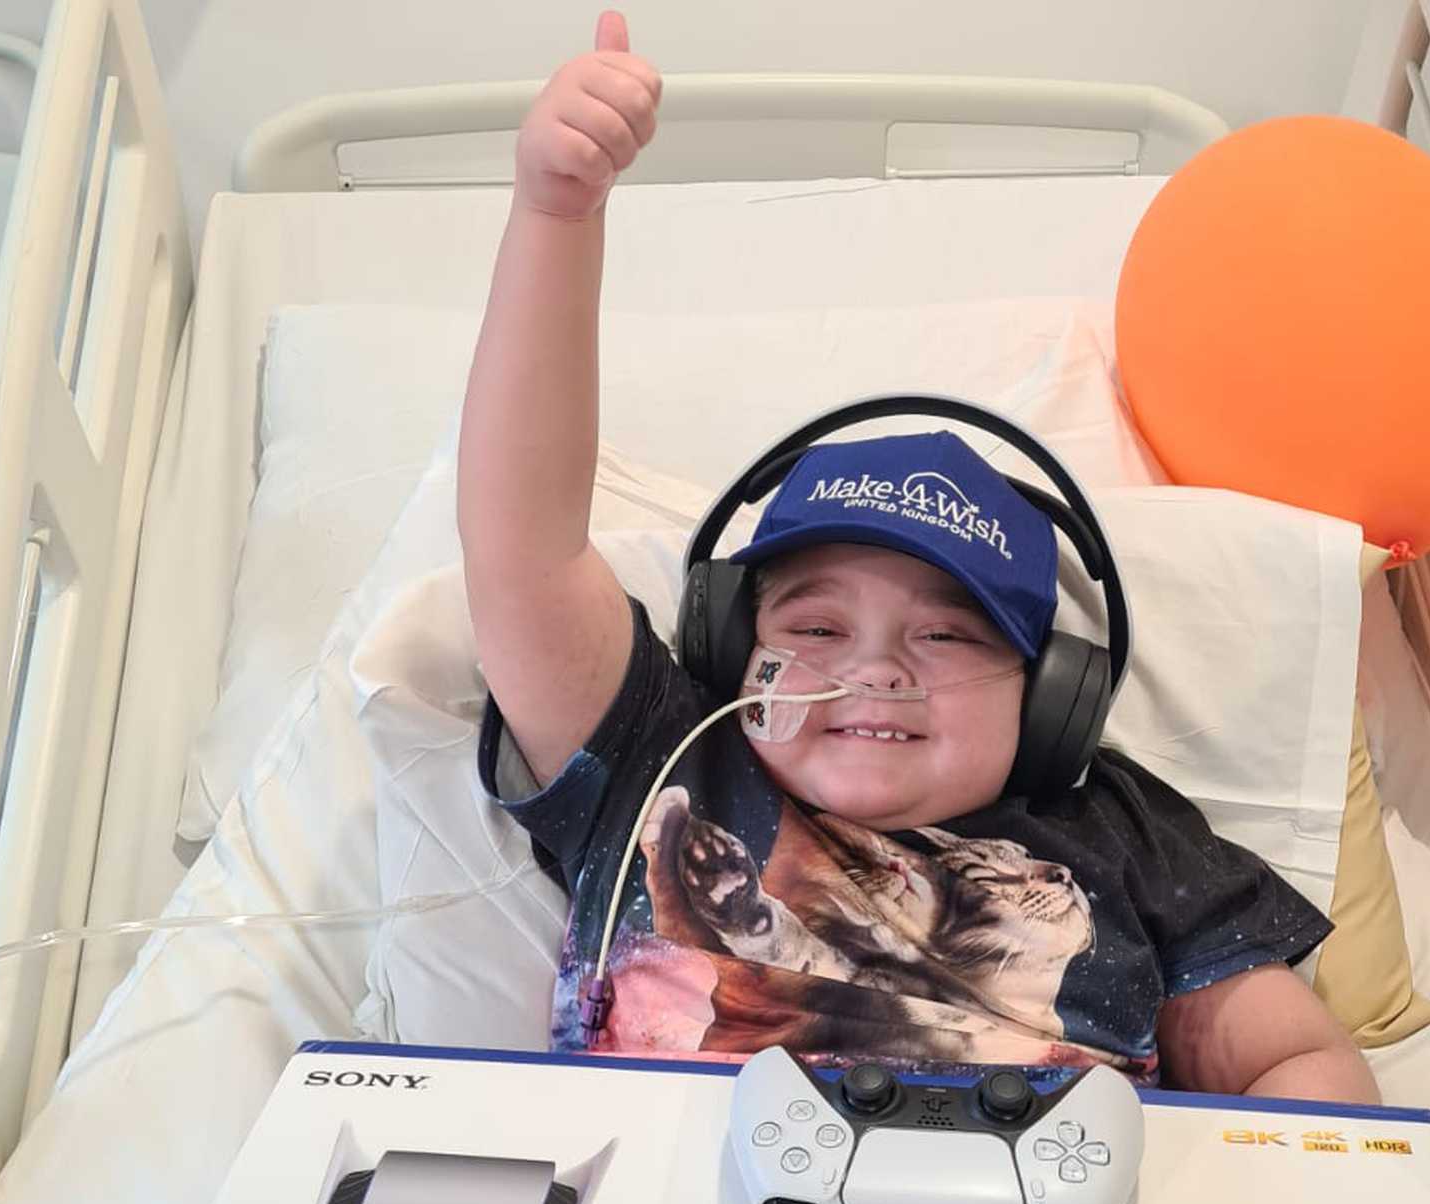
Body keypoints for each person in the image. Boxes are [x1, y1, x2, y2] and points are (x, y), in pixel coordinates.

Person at [458, 10, 1378, 1103]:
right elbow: (520, 547)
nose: (878, 666)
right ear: (730, 651)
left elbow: (1294, 1057)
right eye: (812, 626)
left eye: (945, 630)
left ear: (1053, 700)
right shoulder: (660, 754)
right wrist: (557, 214)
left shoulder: (1123, 834)